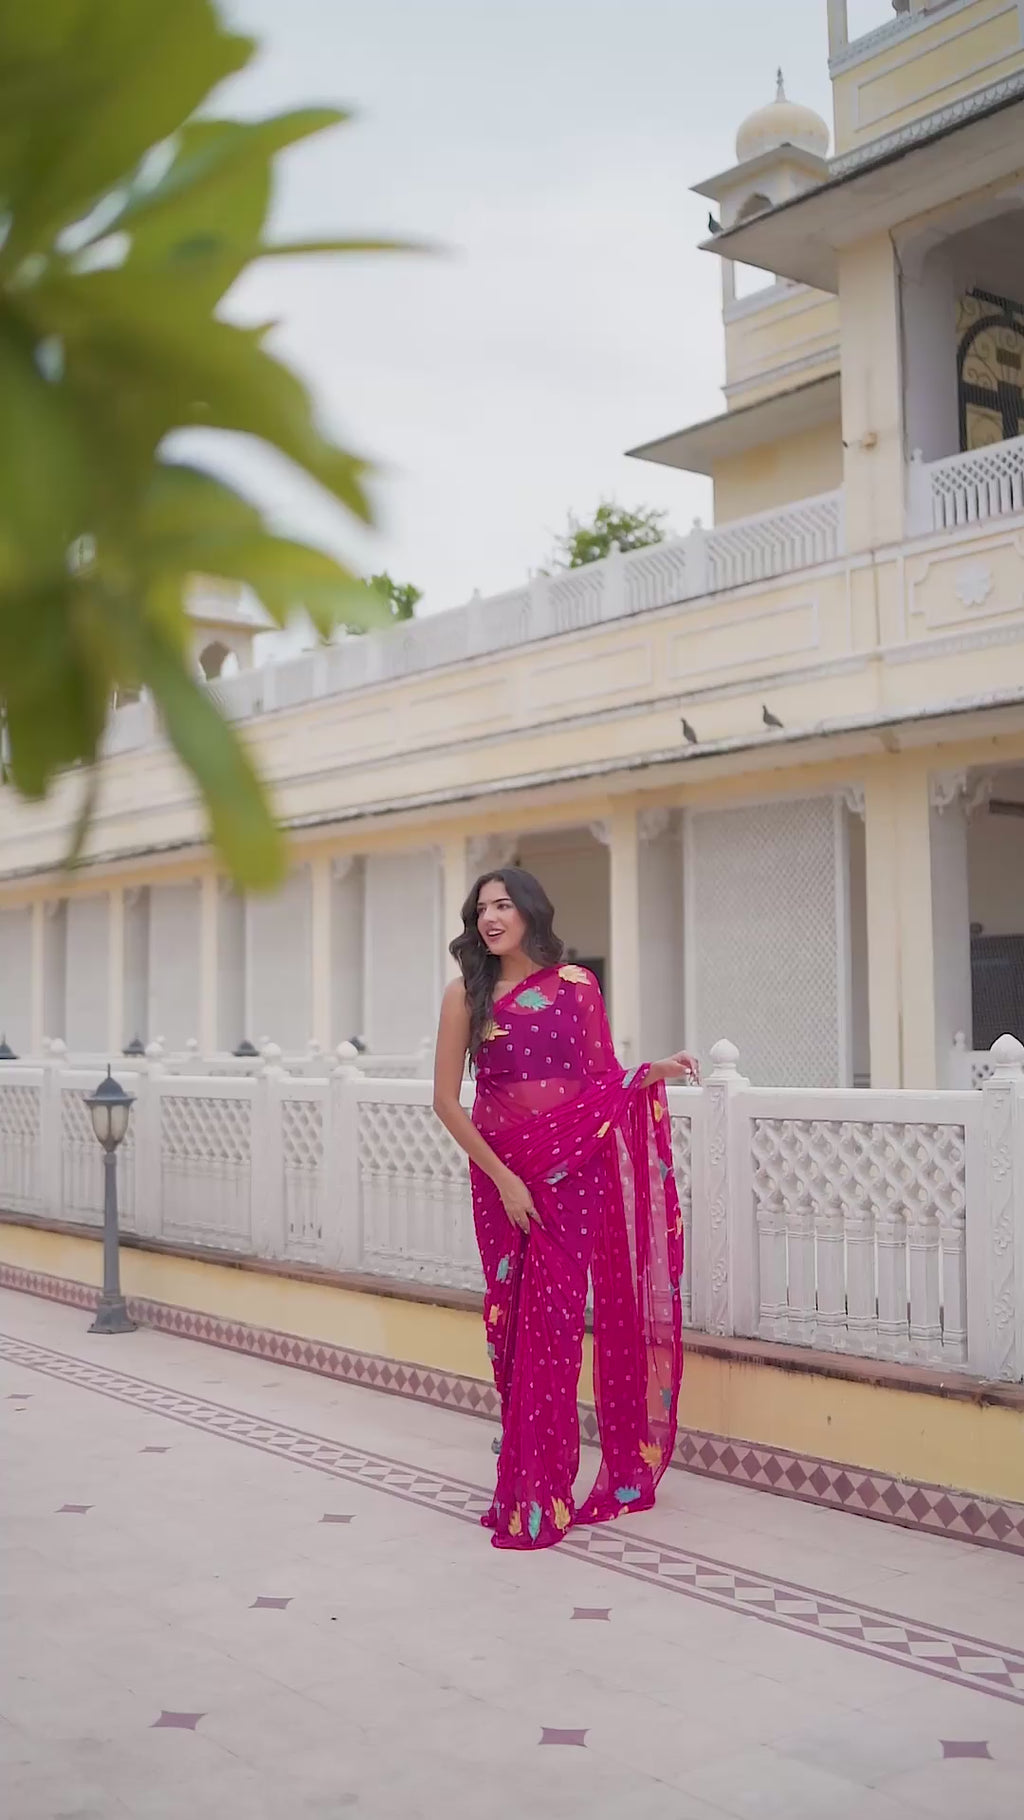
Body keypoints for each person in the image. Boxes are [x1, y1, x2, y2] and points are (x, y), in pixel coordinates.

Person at [433, 865, 698, 1552]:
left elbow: (600, 1083)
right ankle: (525, 1482)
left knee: (552, 1327)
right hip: (501, 1182)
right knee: (512, 1331)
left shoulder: (576, 987)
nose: (490, 917)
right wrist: (505, 1180)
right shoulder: (465, 997)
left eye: (502, 905)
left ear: (529, 913)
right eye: (480, 908)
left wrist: (651, 1074)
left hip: (569, 1176)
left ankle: (539, 1496)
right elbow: (444, 1103)